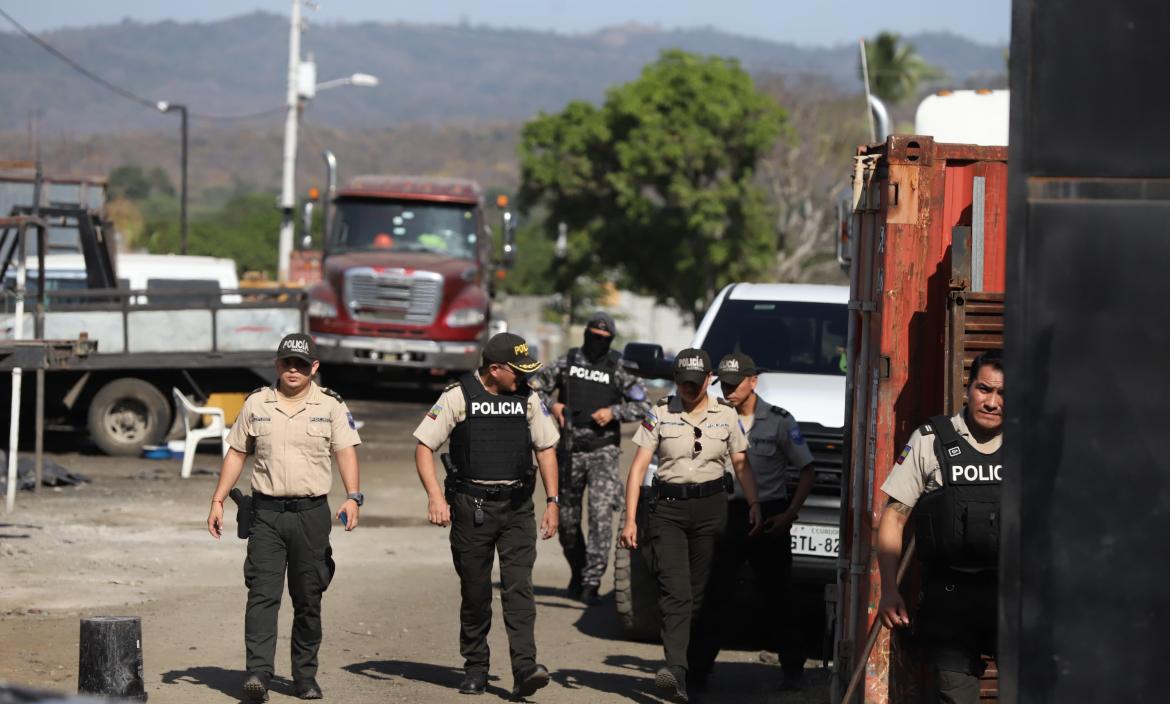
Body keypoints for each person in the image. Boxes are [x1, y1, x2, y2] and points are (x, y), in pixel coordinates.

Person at [207, 333, 362, 702]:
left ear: (314, 368)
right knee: (261, 595)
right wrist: (217, 499)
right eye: (287, 363)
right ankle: (258, 673)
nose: (293, 370)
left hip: (311, 515)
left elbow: (346, 452)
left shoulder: (331, 406)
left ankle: (305, 676)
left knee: (308, 597)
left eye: (302, 364)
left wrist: (353, 497)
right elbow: (236, 453)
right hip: (266, 515)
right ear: (276, 365)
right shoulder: (256, 404)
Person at [412, 332, 561, 698]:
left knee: (519, 589)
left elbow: (545, 449)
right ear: (495, 369)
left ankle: (525, 666)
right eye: (517, 370)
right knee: (476, 592)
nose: (523, 377)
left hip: (516, 506)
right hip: (471, 507)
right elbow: (424, 446)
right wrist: (435, 497)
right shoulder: (458, 396)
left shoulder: (528, 397)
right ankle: (476, 667)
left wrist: (553, 502)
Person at [619, 348, 762, 703]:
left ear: (709, 379)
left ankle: (696, 666)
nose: (688, 388)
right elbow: (638, 469)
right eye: (682, 382)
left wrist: (755, 503)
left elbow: (740, 463)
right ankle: (675, 672)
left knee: (700, 594)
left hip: (712, 509)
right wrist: (630, 519)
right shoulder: (660, 413)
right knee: (676, 592)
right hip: (667, 509)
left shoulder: (726, 416)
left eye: (695, 384)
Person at [876, 350, 1004, 704]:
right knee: (954, 698)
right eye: (984, 389)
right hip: (950, 600)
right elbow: (894, 517)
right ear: (968, 388)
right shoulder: (931, 441)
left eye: (1003, 394)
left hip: (1014, 596)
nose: (992, 402)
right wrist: (889, 589)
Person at [688, 353, 816, 691]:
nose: (727, 391)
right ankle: (697, 671)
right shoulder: (712, 417)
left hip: (771, 515)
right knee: (713, 594)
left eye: (734, 385)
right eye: (723, 385)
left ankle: (793, 669)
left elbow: (807, 470)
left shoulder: (779, 421)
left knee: (778, 595)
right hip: (727, 512)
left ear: (753, 382)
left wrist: (789, 513)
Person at [530, 312, 651, 606]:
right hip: (569, 449)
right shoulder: (566, 361)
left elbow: (644, 404)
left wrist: (615, 412)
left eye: (603, 338)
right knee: (567, 521)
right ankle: (579, 570)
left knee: (599, 520)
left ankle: (592, 581)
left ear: (610, 339)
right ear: (585, 334)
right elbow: (533, 390)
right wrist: (554, 405)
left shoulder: (618, 366)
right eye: (593, 336)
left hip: (603, 452)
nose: (597, 342)